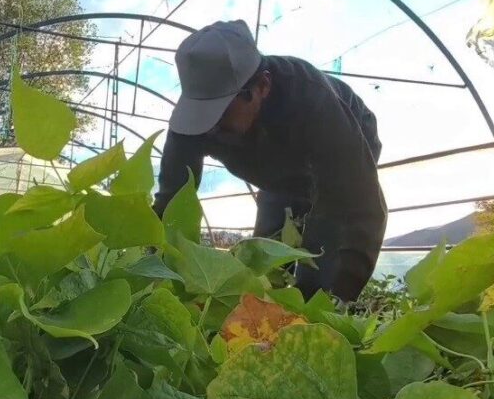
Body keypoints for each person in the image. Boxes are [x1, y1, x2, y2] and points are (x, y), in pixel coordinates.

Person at [152, 19, 387, 302]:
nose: (209, 127)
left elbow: (358, 207)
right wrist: (157, 273)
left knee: (323, 256)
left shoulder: (312, 102)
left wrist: (330, 299)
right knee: (266, 252)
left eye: (220, 112)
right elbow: (171, 202)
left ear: (262, 85)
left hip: (341, 148)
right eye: (201, 114)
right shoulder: (192, 124)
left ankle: (315, 310)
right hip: (274, 176)